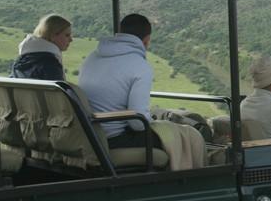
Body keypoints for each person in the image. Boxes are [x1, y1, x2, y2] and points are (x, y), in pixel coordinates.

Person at [78, 13, 161, 150]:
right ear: (146, 40)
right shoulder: (140, 66)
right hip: (113, 140)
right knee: (176, 138)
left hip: (87, 135)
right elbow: (137, 123)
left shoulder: (92, 57)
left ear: (120, 33)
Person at [10, 14, 72, 80]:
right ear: (53, 35)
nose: (71, 39)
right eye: (67, 35)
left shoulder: (19, 62)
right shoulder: (51, 64)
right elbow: (57, 90)